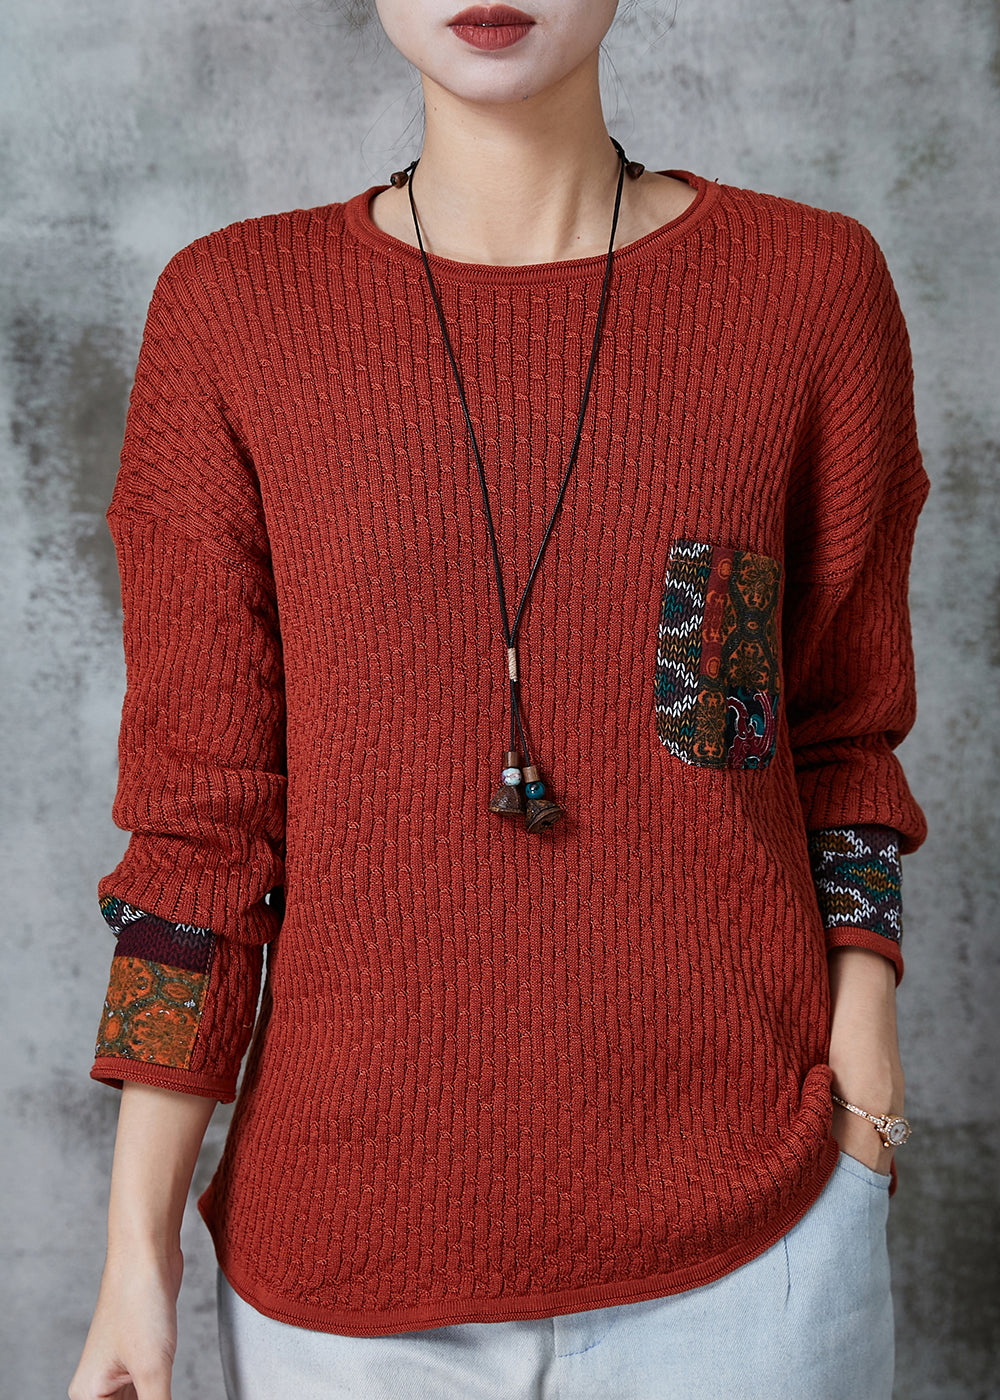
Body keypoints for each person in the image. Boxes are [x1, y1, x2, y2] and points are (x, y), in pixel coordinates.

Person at [69, 2, 931, 1397]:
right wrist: (136, 1249)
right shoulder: (231, 312)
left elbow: (839, 732)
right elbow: (196, 839)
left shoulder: (807, 289)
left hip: (757, 1244)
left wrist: (866, 1079)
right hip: (343, 1272)